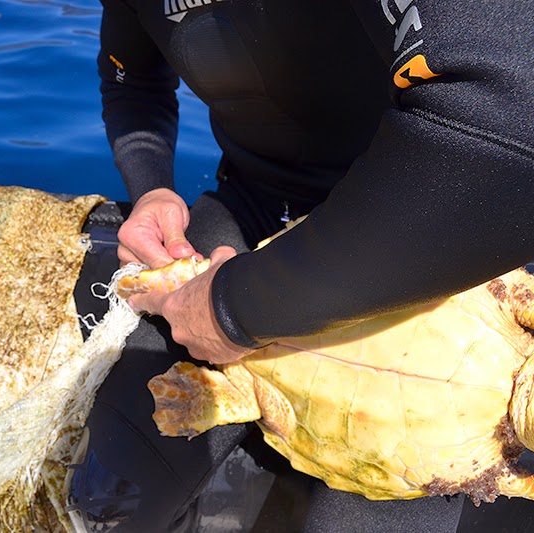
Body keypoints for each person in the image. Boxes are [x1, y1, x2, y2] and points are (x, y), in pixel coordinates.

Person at [67, 0, 534, 531]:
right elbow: (132, 83)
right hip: (255, 210)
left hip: (413, 230)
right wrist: (151, 189)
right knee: (111, 499)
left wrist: (233, 310)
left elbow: (513, 119)